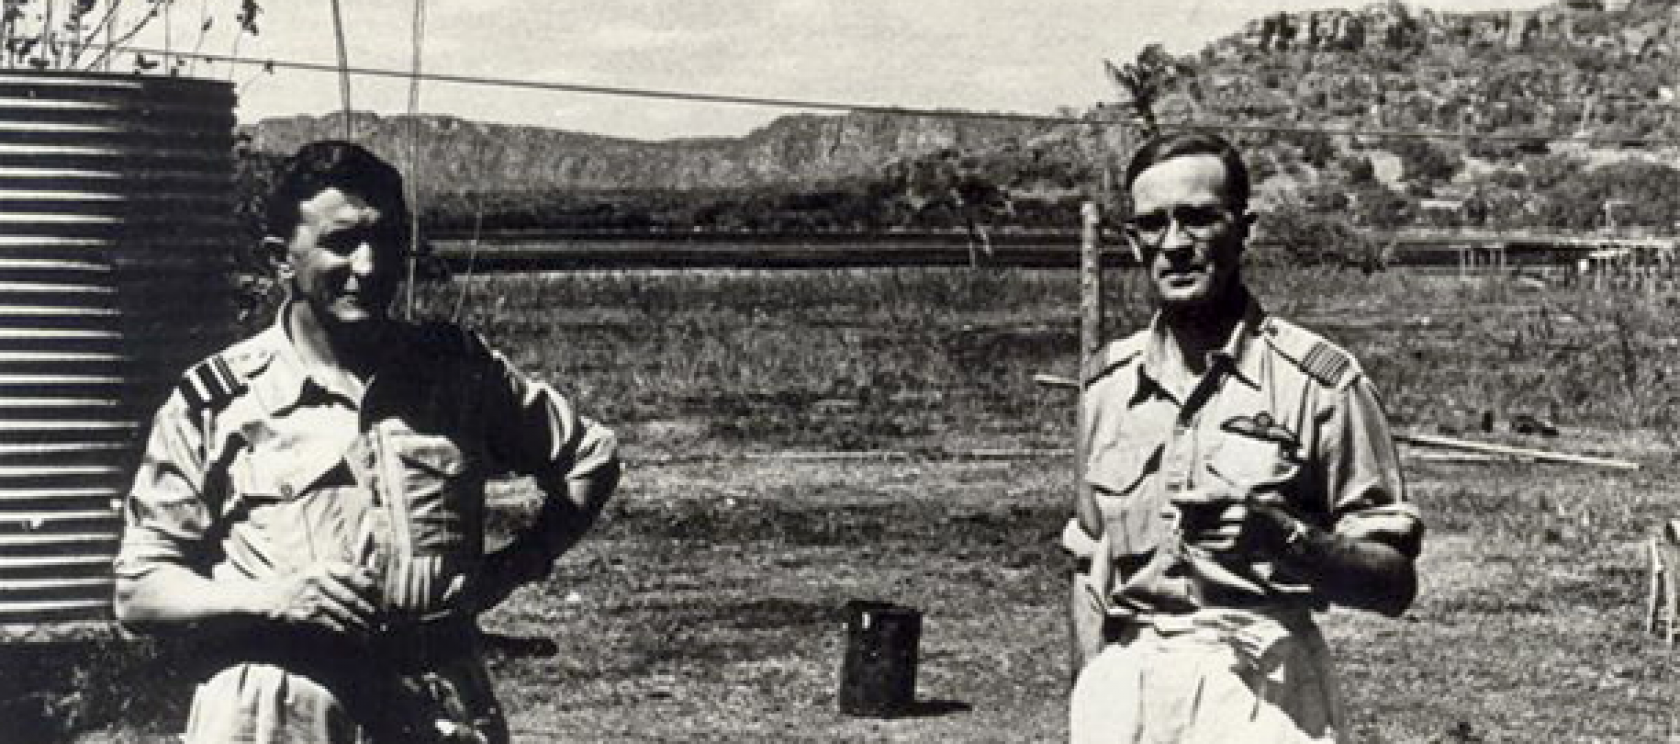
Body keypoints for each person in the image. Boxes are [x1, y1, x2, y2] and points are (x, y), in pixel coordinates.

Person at [113, 140, 620, 743]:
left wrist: (513, 568)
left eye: (386, 241)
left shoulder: (457, 373)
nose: (370, 267)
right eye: (341, 242)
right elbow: (141, 591)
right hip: (278, 710)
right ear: (281, 259)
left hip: (434, 700)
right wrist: (275, 597)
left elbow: (588, 458)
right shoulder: (217, 400)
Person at [1063, 130, 1423, 743]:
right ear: (1132, 241)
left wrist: (1286, 540)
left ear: (1244, 229)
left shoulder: (1320, 383)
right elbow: (1086, 565)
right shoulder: (1107, 386)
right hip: (1128, 690)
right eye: (1153, 225)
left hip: (1263, 692)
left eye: (1199, 219)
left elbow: (1394, 583)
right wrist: (1091, 687)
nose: (1174, 244)